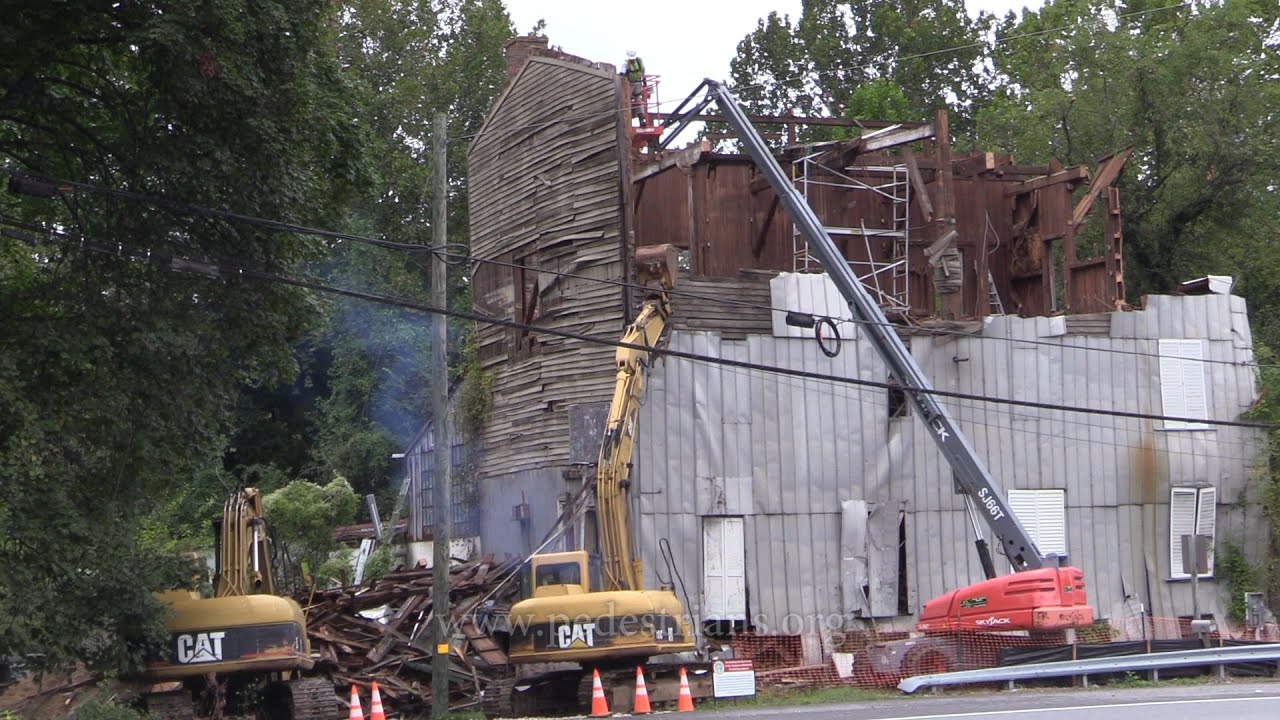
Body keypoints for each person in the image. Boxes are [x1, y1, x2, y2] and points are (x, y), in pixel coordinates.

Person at [624, 50, 647, 125]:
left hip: (634, 84)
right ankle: (640, 119)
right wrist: (644, 80)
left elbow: (643, 70)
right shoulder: (635, 62)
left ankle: (640, 119)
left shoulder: (629, 63)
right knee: (634, 99)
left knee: (631, 100)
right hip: (633, 84)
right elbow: (643, 71)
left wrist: (644, 79)